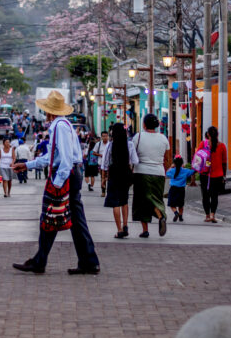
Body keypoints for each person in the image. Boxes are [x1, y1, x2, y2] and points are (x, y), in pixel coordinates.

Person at [12, 90, 100, 275]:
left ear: (49, 111)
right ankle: (85, 261)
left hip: (65, 175)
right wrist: (27, 165)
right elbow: (52, 157)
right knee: (67, 218)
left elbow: (65, 159)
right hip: (70, 174)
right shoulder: (61, 125)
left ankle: (42, 260)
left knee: (51, 215)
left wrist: (58, 184)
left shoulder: (59, 127)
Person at [132, 113, 170, 238]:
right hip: (159, 172)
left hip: (141, 172)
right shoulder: (163, 138)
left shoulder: (138, 137)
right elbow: (168, 159)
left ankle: (146, 228)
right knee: (156, 198)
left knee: (142, 200)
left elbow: (133, 156)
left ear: (143, 124)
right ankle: (160, 216)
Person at [102, 123, 139, 238]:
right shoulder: (130, 144)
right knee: (124, 200)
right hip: (125, 174)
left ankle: (119, 230)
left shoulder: (110, 145)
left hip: (114, 174)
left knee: (115, 202)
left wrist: (104, 178)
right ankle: (125, 225)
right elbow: (135, 161)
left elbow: (105, 163)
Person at [199, 126, 227, 222]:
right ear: (217, 134)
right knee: (214, 196)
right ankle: (212, 215)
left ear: (208, 134)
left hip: (205, 174)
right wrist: (224, 175)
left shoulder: (203, 144)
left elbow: (197, 157)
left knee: (205, 196)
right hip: (217, 175)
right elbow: (224, 163)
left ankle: (207, 215)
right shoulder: (222, 146)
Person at [166, 154, 194, 222]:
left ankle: (176, 213)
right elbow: (193, 171)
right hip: (181, 189)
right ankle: (181, 217)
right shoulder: (185, 170)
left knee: (172, 203)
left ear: (174, 163)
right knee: (180, 204)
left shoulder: (172, 170)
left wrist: (171, 167)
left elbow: (167, 173)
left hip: (173, 189)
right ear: (182, 163)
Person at [93, 131, 110, 197]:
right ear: (101, 137)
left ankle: (108, 191)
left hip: (109, 164)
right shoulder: (98, 144)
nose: (105, 137)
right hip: (101, 164)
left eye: (106, 136)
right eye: (103, 136)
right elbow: (94, 152)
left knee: (108, 178)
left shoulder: (110, 144)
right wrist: (101, 155)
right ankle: (103, 191)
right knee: (102, 178)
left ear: (108, 136)